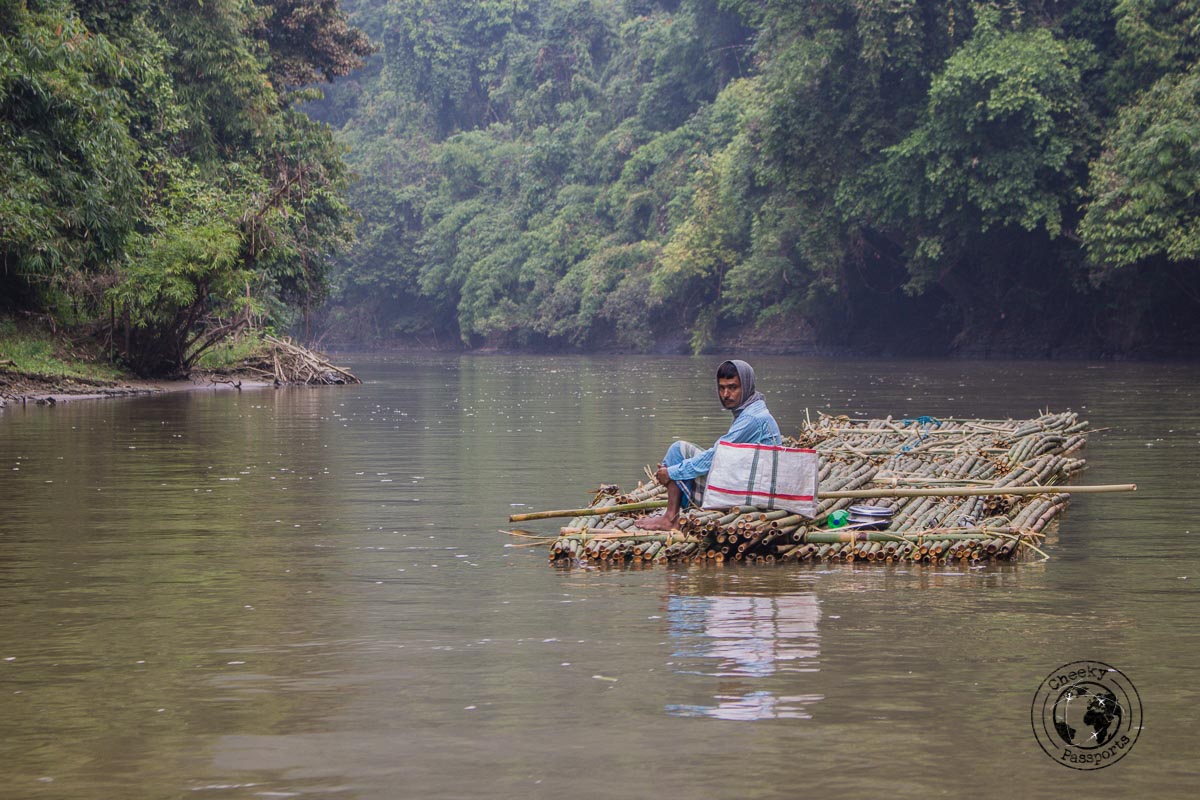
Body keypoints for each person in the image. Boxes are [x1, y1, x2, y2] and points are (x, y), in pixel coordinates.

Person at [635, 359, 781, 531]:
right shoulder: (753, 410)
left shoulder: (751, 419)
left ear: (746, 386)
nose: (726, 394)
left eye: (733, 387)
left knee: (678, 451)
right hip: (749, 482)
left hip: (752, 495)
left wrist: (672, 472)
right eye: (722, 388)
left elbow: (716, 457)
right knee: (682, 459)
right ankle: (672, 514)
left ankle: (670, 518)